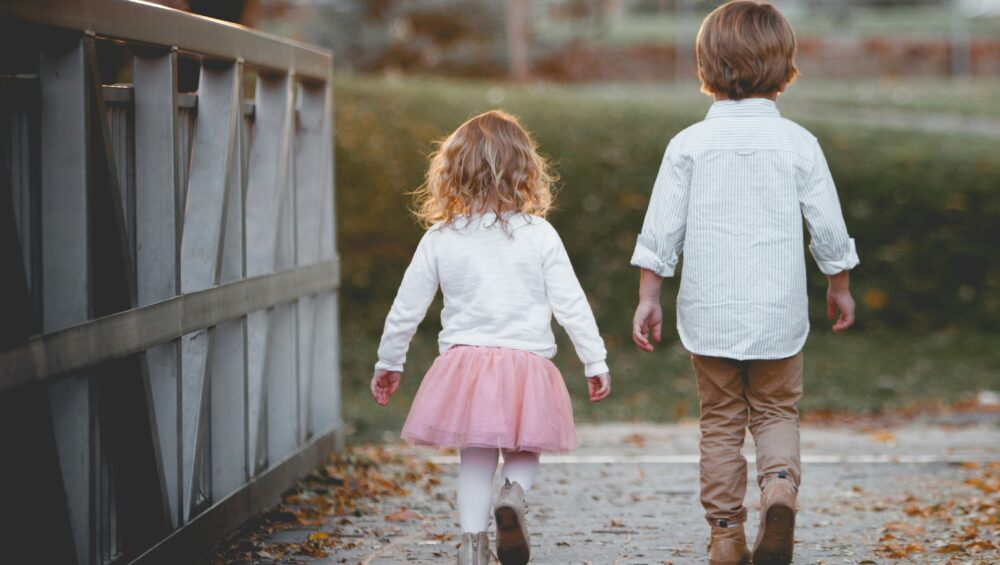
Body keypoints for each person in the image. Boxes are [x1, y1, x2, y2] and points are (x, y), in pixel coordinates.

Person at [630, 2, 859, 564]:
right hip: (778, 315)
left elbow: (661, 231)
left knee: (721, 423)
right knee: (778, 411)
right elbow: (828, 227)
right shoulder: (798, 144)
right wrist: (840, 285)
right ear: (784, 66)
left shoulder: (687, 145)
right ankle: (778, 485)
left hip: (710, 315)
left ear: (706, 65)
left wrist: (648, 297)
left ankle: (726, 535)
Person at [371, 110, 611, 565]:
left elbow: (407, 308)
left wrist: (390, 361)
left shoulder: (441, 238)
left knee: (475, 458)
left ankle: (470, 546)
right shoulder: (540, 235)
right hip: (528, 365)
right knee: (525, 447)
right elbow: (571, 304)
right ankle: (514, 497)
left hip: (466, 368)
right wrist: (594, 361)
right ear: (525, 170)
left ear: (452, 172)